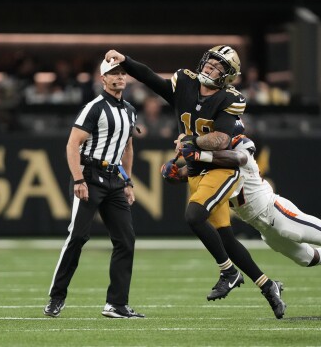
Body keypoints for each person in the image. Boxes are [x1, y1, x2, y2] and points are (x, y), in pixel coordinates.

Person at [104, 47, 286, 319]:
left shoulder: (230, 99)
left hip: (221, 167)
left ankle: (228, 272)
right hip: (197, 168)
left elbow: (221, 140)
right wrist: (126, 61)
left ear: (227, 77)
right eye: (209, 64)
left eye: (217, 68)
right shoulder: (185, 83)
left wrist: (189, 142)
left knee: (194, 215)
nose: (210, 70)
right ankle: (268, 285)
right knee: (224, 236)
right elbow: (150, 78)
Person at [44, 58, 143, 319]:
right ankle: (57, 296)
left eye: (122, 73)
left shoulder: (130, 110)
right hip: (90, 175)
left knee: (126, 240)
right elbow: (72, 144)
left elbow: (128, 148)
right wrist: (78, 179)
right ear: (103, 79)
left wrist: (128, 181)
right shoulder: (94, 108)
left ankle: (116, 304)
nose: (119, 77)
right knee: (77, 237)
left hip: (114, 179)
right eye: (113, 74)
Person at [161, 120, 321, 268]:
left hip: (274, 211)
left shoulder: (240, 143)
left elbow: (239, 159)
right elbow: (186, 173)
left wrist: (200, 155)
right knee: (307, 258)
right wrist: (172, 174)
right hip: (261, 226)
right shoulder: (212, 157)